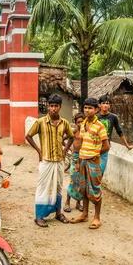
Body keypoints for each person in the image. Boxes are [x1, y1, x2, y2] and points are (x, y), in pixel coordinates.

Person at [25, 94, 74, 228]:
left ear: (59, 107)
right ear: (48, 106)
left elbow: (71, 137)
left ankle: (58, 213)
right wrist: (39, 151)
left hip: (59, 161)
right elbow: (28, 136)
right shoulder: (40, 122)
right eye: (51, 106)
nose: (53, 109)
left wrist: (64, 152)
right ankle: (39, 216)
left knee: (58, 186)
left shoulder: (64, 123)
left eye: (56, 106)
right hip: (46, 160)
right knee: (43, 187)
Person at [69, 98, 110, 229]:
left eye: (90, 108)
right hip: (82, 162)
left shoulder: (100, 126)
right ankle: (84, 214)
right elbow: (81, 145)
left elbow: (106, 146)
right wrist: (79, 161)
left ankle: (97, 217)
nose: (87, 110)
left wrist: (95, 154)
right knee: (84, 188)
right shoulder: (83, 125)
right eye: (85, 108)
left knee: (95, 189)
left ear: (96, 110)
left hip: (94, 163)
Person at [97, 95, 133, 172]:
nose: (105, 105)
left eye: (107, 103)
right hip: (94, 146)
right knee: (93, 171)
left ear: (109, 105)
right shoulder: (95, 117)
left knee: (101, 170)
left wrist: (127, 145)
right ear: (99, 105)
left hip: (105, 147)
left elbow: (119, 131)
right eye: (103, 103)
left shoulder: (113, 117)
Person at [64, 113, 85, 213]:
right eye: (78, 122)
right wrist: (68, 148)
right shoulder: (74, 131)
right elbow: (63, 139)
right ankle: (67, 202)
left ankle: (78, 203)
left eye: (82, 122)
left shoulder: (87, 132)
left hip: (85, 157)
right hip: (75, 157)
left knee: (81, 181)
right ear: (75, 123)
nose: (80, 124)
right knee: (73, 180)